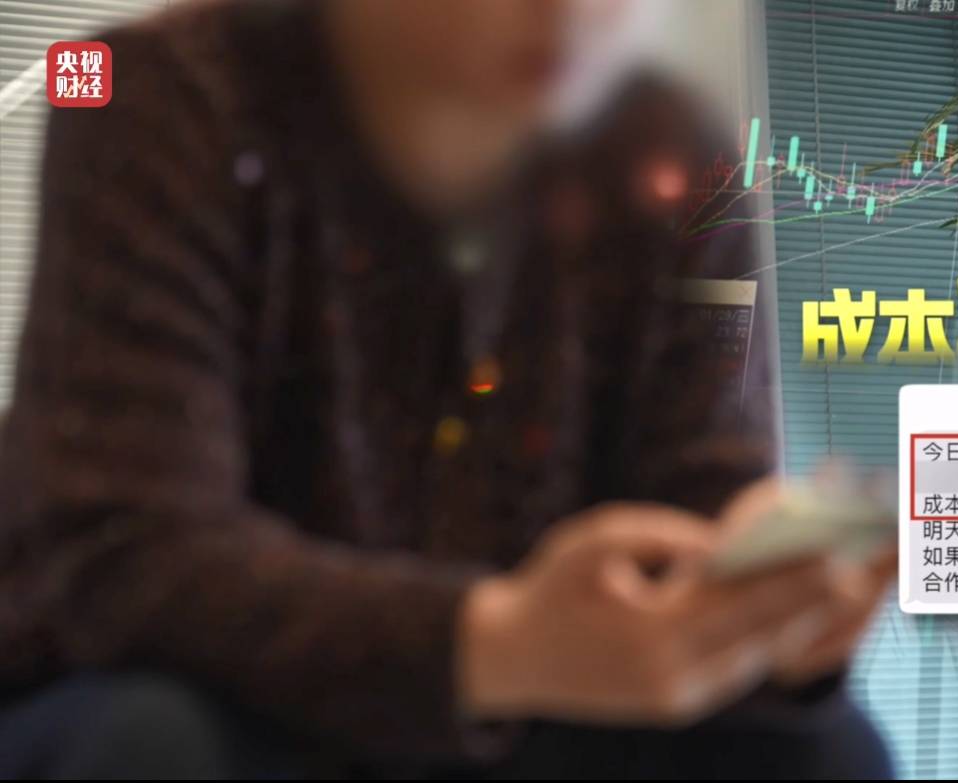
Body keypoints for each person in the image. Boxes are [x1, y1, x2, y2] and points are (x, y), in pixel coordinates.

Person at [0, 0, 895, 777]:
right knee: (152, 742)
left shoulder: (673, 157)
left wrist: (766, 615)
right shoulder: (166, 97)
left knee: (823, 750)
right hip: (228, 699)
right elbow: (133, 555)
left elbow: (705, 489)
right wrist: (498, 640)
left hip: (536, 711)